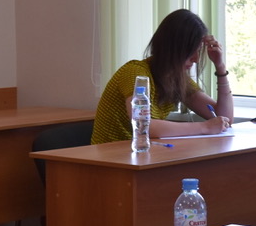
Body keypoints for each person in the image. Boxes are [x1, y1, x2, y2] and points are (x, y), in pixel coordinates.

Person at [90, 9, 234, 145]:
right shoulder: (136, 73)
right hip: (109, 156)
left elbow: (224, 117)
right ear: (172, 48)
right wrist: (205, 127)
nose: (196, 59)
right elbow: (145, 126)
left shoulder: (176, 79)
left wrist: (220, 66)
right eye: (191, 51)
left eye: (198, 51)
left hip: (141, 153)